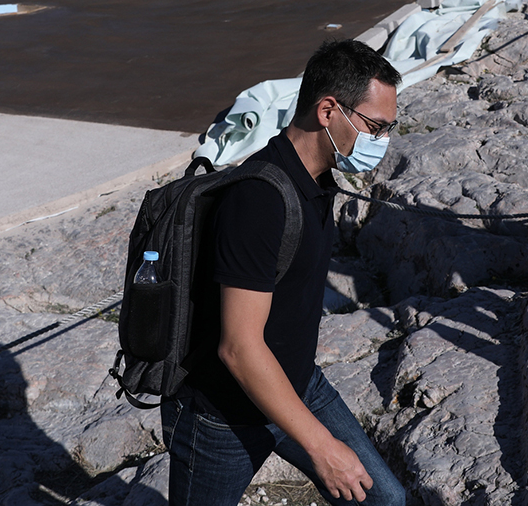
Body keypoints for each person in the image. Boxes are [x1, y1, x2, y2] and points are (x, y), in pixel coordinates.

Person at [164, 39, 406, 506]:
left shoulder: (317, 181)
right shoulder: (259, 199)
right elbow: (238, 346)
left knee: (385, 500)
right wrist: (322, 447)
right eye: (376, 127)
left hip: (297, 386)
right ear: (328, 111)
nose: (382, 142)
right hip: (224, 416)